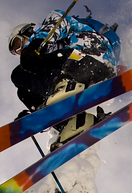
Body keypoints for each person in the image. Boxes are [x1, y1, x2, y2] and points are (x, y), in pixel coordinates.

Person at [8, 8, 122, 147]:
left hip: (87, 58)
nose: (20, 51)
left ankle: (64, 84)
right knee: (24, 91)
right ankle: (73, 123)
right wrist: (36, 113)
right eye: (16, 52)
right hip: (96, 74)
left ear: (27, 32)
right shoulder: (50, 56)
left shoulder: (47, 30)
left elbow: (56, 20)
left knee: (19, 74)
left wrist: (36, 44)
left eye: (18, 44)